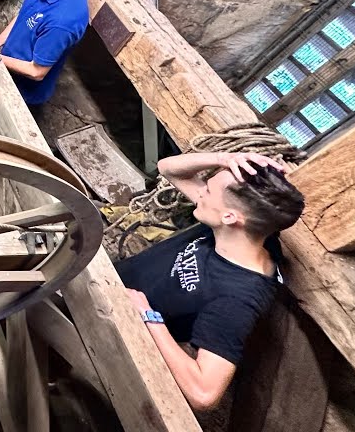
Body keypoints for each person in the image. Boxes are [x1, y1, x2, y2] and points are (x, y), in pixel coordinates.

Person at [117, 152, 304, 410]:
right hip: (115, 279)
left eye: (209, 189)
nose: (201, 191)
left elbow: (204, 394)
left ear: (230, 217)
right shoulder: (243, 229)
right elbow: (168, 169)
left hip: (120, 316)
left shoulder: (237, 301)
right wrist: (226, 159)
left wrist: (148, 316)